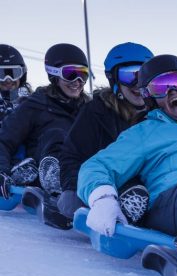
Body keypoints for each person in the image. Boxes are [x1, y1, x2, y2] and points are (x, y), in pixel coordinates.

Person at [77, 54, 177, 242]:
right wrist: (102, 199)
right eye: (160, 87)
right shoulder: (145, 132)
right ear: (150, 99)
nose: (172, 91)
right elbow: (96, 165)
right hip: (176, 201)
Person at [56, 42, 154, 219]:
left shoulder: (158, 117)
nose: (138, 84)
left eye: (144, 76)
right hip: (104, 185)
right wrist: (72, 187)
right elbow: (73, 154)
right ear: (114, 80)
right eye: (128, 76)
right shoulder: (96, 112)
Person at [0, 43, 90, 200]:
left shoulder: (90, 110)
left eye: (83, 75)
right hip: (49, 169)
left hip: (83, 172)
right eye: (70, 74)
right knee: (57, 135)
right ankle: (51, 178)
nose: (77, 81)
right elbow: (4, 140)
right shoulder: (34, 105)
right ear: (53, 75)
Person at [0, 44, 33, 124]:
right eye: (1, 74)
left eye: (14, 73)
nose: (8, 80)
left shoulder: (34, 104)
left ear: (22, 76)